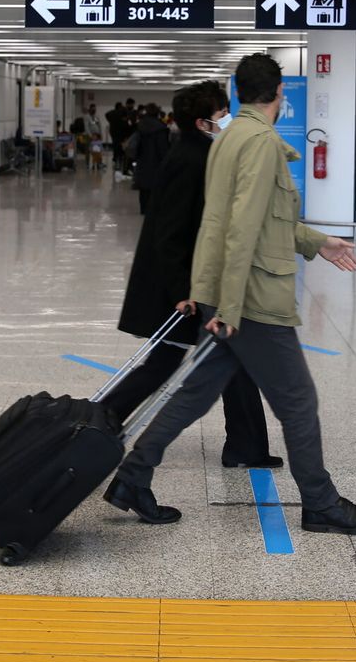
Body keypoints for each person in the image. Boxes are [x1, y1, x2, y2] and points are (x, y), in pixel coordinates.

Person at [104, 54, 356, 536]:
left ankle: (131, 477)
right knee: (298, 400)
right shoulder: (259, 142)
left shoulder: (229, 138)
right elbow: (241, 228)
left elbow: (237, 222)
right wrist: (231, 307)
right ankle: (320, 503)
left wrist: (319, 242)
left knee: (193, 395)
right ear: (280, 94)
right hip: (252, 300)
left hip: (227, 294)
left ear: (238, 93)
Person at [103, 82, 278, 468]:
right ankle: (102, 422)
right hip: (182, 287)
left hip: (189, 282)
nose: (227, 119)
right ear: (203, 122)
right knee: (176, 364)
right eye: (221, 113)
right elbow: (170, 233)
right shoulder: (193, 160)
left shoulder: (198, 152)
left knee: (219, 360)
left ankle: (104, 420)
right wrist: (185, 291)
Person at [130, 104, 173, 215]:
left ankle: (143, 209)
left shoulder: (140, 126)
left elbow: (136, 145)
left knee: (144, 188)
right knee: (155, 186)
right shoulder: (161, 128)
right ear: (157, 113)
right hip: (156, 161)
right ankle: (153, 209)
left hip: (142, 160)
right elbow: (163, 148)